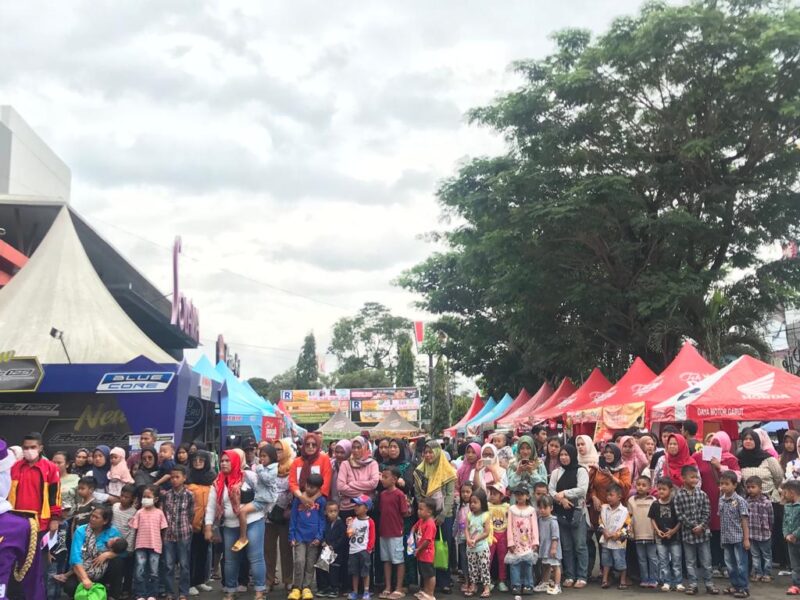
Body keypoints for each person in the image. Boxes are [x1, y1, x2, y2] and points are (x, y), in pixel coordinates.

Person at [204, 449, 267, 600]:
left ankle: (259, 591)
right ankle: (230, 591)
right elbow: (211, 507)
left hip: (253, 521)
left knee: (255, 557)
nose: (224, 463)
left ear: (236, 461)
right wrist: (208, 526)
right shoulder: (217, 482)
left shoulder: (248, 477)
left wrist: (253, 509)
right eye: (222, 461)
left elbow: (264, 495)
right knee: (230, 559)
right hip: (230, 525)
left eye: (228, 460)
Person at [691, 431, 740, 575]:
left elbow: (737, 476)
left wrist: (720, 466)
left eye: (718, 444)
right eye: (713, 443)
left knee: (724, 531)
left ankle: (725, 565)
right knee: (710, 531)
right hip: (706, 501)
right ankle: (712, 564)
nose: (715, 446)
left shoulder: (730, 459)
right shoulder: (699, 456)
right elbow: (692, 472)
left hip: (725, 500)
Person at [737, 427, 783, 577]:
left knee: (768, 539)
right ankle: (754, 570)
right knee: (750, 538)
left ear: (757, 441)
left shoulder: (769, 458)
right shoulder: (739, 458)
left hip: (769, 502)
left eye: (751, 439)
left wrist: (770, 494)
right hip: (748, 504)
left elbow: (779, 478)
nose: (748, 442)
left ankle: (767, 570)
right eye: (746, 439)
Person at [413, 441, 457, 594]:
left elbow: (450, 494)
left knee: (442, 547)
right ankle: (428, 583)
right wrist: (425, 512)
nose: (428, 455)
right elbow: (417, 493)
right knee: (426, 549)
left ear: (438, 452)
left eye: (431, 452)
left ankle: (444, 581)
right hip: (426, 516)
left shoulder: (447, 470)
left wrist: (443, 514)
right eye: (425, 452)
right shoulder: (420, 470)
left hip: (445, 515)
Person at [59, 506, 126, 599]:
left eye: (96, 517)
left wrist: (108, 554)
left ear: (105, 521)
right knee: (70, 587)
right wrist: (85, 578)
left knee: (118, 561)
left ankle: (113, 596)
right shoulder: (81, 531)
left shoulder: (113, 532)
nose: (92, 519)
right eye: (92, 516)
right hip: (83, 570)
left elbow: (123, 551)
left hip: (102, 571)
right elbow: (75, 557)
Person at [547, 445, 588, 588]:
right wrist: (561, 499)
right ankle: (570, 575)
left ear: (572, 455)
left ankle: (582, 576)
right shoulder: (556, 472)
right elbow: (551, 490)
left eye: (567, 454)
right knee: (567, 546)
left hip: (577, 513)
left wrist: (564, 493)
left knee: (580, 545)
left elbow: (582, 490)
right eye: (562, 455)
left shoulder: (581, 471)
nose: (564, 457)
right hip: (560, 512)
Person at [674, 464, 719, 595]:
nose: (695, 480)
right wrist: (693, 526)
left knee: (706, 561)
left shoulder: (703, 494)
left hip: (703, 535)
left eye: (696, 477)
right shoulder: (679, 496)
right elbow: (679, 514)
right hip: (688, 535)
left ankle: (709, 584)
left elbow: (708, 512)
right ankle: (693, 584)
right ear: (683, 478)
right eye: (692, 477)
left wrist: (701, 526)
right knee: (690, 562)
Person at [9, 432, 62, 530]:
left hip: (41, 521)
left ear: (40, 448)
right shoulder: (14, 467)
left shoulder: (51, 468)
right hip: (16, 519)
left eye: (33, 447)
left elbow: (55, 495)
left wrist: (55, 518)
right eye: (26, 447)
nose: (29, 450)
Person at [234, 443, 278, 552]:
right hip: (260, 497)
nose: (262, 459)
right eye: (261, 456)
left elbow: (268, 480)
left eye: (264, 456)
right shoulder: (264, 467)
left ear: (271, 457)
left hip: (264, 499)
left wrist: (259, 469)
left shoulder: (273, 468)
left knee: (242, 511)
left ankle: (243, 537)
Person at [289, 472, 326, 600]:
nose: (309, 489)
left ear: (319, 488)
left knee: (310, 563)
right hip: (299, 536)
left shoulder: (321, 501)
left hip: (313, 539)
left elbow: (322, 520)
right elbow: (293, 518)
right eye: (307, 486)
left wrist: (319, 536)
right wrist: (292, 536)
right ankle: (296, 587)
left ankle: (307, 587)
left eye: (313, 487)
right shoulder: (298, 499)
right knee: (299, 561)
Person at [186, 449, 216, 596]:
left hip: (207, 522)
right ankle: (190, 583)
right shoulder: (188, 477)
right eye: (195, 460)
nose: (198, 462)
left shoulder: (212, 477)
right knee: (191, 554)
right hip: (191, 522)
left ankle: (199, 581)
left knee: (203, 552)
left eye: (201, 460)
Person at [130, 485, 168, 600]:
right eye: (144, 496)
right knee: (139, 570)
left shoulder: (159, 513)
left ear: (155, 499)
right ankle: (140, 594)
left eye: (148, 496)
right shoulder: (139, 513)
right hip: (140, 545)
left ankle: (152, 594)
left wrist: (163, 543)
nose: (145, 499)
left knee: (154, 571)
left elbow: (164, 529)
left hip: (155, 546)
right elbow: (134, 529)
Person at [267, 438, 296, 592]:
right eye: (275, 449)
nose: (277, 452)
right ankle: (269, 579)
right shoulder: (268, 467)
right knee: (268, 549)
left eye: (280, 449)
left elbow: (295, 488)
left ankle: (288, 580)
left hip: (285, 514)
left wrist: (290, 507)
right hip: (268, 514)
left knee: (286, 549)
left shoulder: (292, 466)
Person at [162, 464, 194, 600]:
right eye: (172, 477)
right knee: (168, 565)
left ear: (184, 478)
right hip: (168, 535)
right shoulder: (167, 495)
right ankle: (169, 592)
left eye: (177, 477)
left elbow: (191, 513)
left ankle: (183, 592)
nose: (174, 480)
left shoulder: (189, 495)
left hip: (184, 534)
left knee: (184, 565)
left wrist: (189, 525)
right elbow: (163, 513)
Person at [378, 467, 410, 600]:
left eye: (385, 477)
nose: (382, 479)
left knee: (398, 560)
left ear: (394, 479)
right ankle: (388, 586)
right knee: (386, 560)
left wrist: (409, 509)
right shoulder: (382, 494)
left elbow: (404, 512)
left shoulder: (399, 495)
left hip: (396, 532)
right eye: (382, 477)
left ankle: (398, 587)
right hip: (384, 532)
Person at [717, 470, 749, 598]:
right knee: (730, 564)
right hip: (726, 538)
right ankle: (734, 585)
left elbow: (744, 520)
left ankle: (743, 587)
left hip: (738, 538)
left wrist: (746, 539)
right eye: (721, 484)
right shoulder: (721, 500)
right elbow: (721, 518)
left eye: (727, 484)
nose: (723, 486)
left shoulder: (740, 501)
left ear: (735, 485)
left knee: (741, 563)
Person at [649, 477, 683, 592]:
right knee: (663, 561)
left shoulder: (675, 504)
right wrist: (657, 531)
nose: (661, 491)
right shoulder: (655, 504)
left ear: (671, 490)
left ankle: (678, 582)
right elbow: (652, 519)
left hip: (675, 538)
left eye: (664, 489)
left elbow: (680, 520)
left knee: (676, 560)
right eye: (659, 489)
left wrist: (673, 531)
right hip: (660, 538)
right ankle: (666, 581)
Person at [506, 485, 538, 595]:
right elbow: (509, 527)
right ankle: (516, 585)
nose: (519, 496)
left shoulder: (531, 510)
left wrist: (535, 542)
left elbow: (534, 526)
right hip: (515, 542)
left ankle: (528, 585)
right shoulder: (511, 509)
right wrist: (510, 542)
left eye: (522, 494)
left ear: (527, 496)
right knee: (515, 564)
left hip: (527, 542)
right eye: (517, 494)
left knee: (528, 564)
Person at [598, 483, 631, 589]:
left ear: (619, 497)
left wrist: (617, 534)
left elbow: (627, 527)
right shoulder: (604, 508)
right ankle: (605, 579)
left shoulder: (624, 511)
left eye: (611, 495)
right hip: (606, 540)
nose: (608, 497)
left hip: (618, 543)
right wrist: (604, 532)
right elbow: (600, 522)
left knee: (620, 561)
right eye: (607, 495)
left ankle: (622, 580)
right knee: (606, 561)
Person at [338, 436, 380, 517]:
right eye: (353, 447)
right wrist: (362, 496)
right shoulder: (345, 464)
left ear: (365, 448)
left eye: (359, 447)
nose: (356, 450)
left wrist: (351, 484)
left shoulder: (372, 463)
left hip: (366, 508)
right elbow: (341, 487)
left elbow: (373, 483)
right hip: (348, 507)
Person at [628, 475, 657, 588]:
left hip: (651, 534)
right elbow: (629, 518)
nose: (640, 487)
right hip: (638, 534)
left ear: (650, 488)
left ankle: (653, 579)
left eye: (644, 485)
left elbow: (656, 518)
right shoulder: (631, 500)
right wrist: (631, 532)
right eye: (638, 485)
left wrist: (656, 531)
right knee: (641, 558)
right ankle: (644, 578)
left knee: (652, 558)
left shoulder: (654, 501)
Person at [290, 433, 333, 509]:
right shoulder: (296, 462)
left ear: (318, 446)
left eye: (314, 444)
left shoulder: (324, 459)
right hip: (299, 500)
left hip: (319, 500)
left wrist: (311, 499)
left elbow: (326, 483)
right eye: (307, 444)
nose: (310, 447)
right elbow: (292, 483)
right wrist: (302, 497)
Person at [744, 475, 774, 583]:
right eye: (748, 487)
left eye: (753, 487)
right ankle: (758, 573)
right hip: (752, 534)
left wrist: (770, 529)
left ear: (760, 488)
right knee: (755, 555)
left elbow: (771, 518)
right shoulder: (746, 502)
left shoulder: (767, 502)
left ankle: (767, 574)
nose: (750, 489)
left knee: (766, 555)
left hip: (764, 534)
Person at [346, 494, 376, 600]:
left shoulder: (369, 521)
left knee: (365, 572)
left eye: (359, 505)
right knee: (354, 572)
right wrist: (349, 525)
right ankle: (355, 591)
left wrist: (369, 549)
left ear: (366, 508)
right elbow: (349, 534)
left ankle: (366, 591)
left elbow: (372, 536)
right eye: (355, 505)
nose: (356, 507)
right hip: (353, 550)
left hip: (364, 550)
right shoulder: (353, 520)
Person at [111, 484, 137, 598]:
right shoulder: (115, 506)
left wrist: (130, 547)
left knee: (127, 569)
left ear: (133, 499)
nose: (123, 499)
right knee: (115, 568)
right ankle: (114, 589)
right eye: (122, 496)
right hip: (113, 543)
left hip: (126, 545)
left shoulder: (134, 512)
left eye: (127, 497)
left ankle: (126, 589)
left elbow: (132, 531)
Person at [465, 489, 492, 598]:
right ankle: (473, 585)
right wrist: (467, 539)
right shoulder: (469, 515)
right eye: (471, 502)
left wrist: (475, 540)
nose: (472, 504)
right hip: (470, 548)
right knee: (472, 568)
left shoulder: (485, 515)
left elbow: (486, 532)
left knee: (484, 567)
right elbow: (466, 529)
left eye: (475, 502)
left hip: (482, 548)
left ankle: (486, 587)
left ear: (482, 502)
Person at [317, 501, 347, 598]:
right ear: (325, 512)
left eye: (335, 511)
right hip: (325, 549)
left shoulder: (341, 523)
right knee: (322, 568)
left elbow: (342, 538)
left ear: (338, 511)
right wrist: (323, 542)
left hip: (336, 551)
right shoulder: (324, 522)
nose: (333, 513)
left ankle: (334, 588)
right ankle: (323, 588)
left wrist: (333, 546)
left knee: (334, 569)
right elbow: (321, 532)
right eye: (330, 511)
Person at [535, 495, 561, 595]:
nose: (542, 510)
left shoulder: (553, 521)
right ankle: (545, 583)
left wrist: (554, 548)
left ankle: (557, 585)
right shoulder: (540, 519)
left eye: (545, 508)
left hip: (552, 548)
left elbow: (555, 536)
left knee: (555, 565)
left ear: (551, 508)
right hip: (544, 547)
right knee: (545, 565)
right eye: (540, 508)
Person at [412, 498, 438, 600]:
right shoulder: (422, 520)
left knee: (430, 575)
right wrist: (411, 533)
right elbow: (415, 527)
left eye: (421, 509)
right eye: (418, 509)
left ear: (429, 512)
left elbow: (427, 540)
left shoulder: (430, 523)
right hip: (421, 554)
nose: (418, 511)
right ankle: (425, 591)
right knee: (424, 574)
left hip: (427, 554)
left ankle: (430, 594)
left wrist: (418, 549)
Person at [487, 483, 509, 591]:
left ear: (501, 496)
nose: (491, 496)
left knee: (502, 559)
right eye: (491, 493)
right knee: (488, 558)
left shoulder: (507, 507)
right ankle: (488, 581)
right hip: (491, 535)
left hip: (503, 535)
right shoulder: (487, 506)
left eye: (495, 494)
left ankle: (502, 580)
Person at [454, 481, 474, 592]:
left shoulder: (474, 506)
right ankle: (466, 581)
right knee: (464, 560)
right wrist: (454, 533)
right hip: (461, 537)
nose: (465, 494)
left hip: (472, 538)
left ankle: (473, 582)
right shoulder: (459, 506)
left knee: (472, 560)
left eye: (468, 492)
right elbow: (457, 521)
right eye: (463, 492)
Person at [782, 479, 800, 595]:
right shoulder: (787, 506)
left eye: (785, 493)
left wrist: (795, 534)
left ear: (792, 492)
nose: (783, 495)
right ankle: (796, 585)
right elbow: (784, 522)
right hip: (791, 541)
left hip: (797, 538)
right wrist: (786, 534)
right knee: (795, 565)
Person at [52, 451, 79, 519]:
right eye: (53, 462)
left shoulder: (75, 479)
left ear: (67, 464)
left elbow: (80, 502)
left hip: (70, 518)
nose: (55, 465)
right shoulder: (47, 480)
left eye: (59, 463)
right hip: (51, 518)